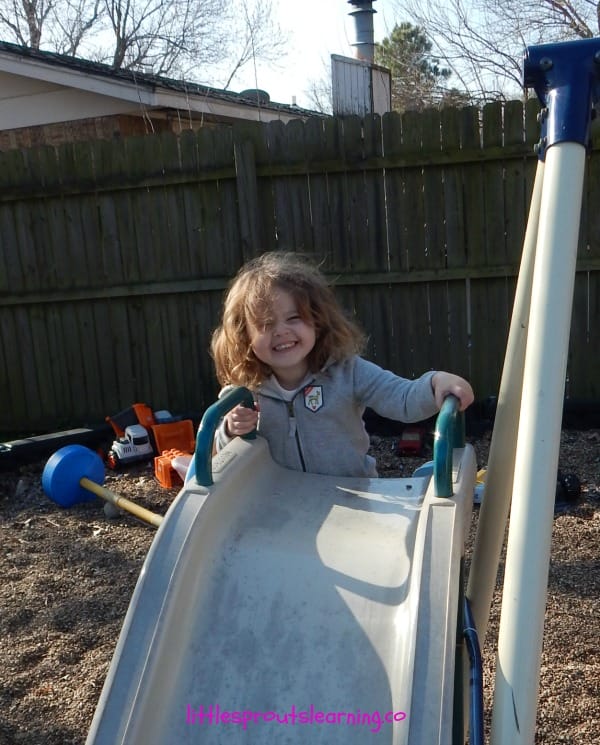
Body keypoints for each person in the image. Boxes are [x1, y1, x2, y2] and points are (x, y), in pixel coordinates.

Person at [210, 251, 474, 477]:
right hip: (283, 503)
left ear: (317, 320)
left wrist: (435, 383)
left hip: (353, 493)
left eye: (293, 318)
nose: (281, 331)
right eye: (266, 324)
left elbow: (401, 398)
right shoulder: (245, 390)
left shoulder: (348, 372)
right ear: (246, 336)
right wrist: (230, 430)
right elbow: (223, 455)